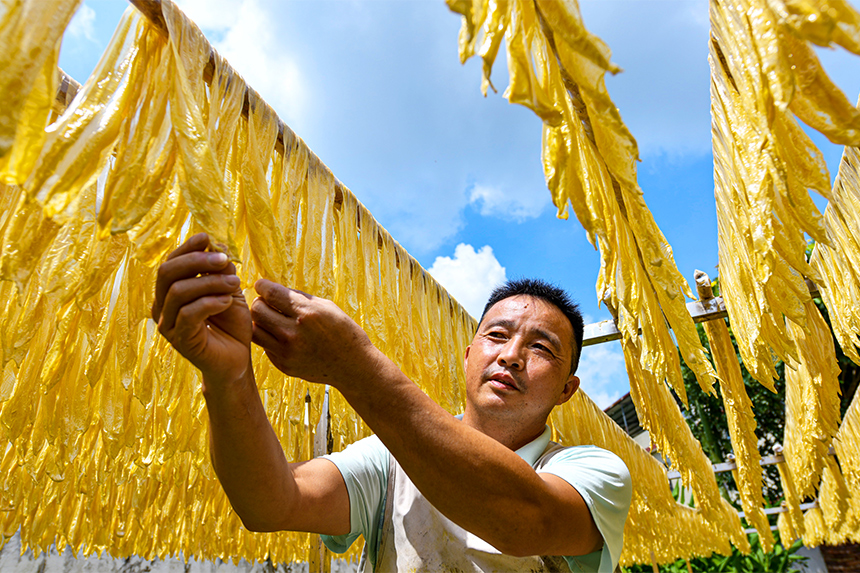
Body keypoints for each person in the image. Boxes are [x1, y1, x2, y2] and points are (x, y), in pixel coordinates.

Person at [152, 233, 632, 572]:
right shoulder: (391, 458)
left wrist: (354, 366)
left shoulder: (592, 472)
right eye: (497, 335)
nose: (510, 356)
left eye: (541, 347)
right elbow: (272, 503)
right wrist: (229, 375)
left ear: (568, 389)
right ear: (468, 357)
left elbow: (526, 519)